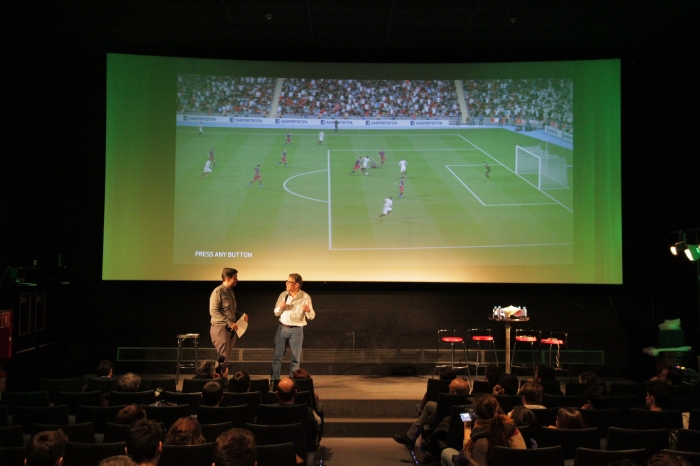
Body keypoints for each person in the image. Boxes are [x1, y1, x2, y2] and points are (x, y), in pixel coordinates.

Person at [440, 394, 526, 466]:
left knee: (446, 452)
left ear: (476, 416)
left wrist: (467, 427)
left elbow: (462, 458)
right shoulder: (514, 430)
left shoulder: (478, 439)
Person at [393, 378, 471, 449]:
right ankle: (410, 437)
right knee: (430, 404)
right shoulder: (468, 405)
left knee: (428, 417)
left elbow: (430, 421)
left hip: (447, 416)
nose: (448, 389)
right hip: (450, 412)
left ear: (454, 393)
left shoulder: (447, 404)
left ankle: (411, 438)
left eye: (450, 388)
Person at [271, 273, 315, 384]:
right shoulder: (283, 295)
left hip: (297, 330)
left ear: (296, 284)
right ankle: (274, 382)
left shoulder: (305, 297)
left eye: (289, 282)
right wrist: (279, 307)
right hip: (282, 328)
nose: (286, 283)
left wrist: (308, 310)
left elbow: (311, 316)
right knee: (277, 357)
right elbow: (276, 313)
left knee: (295, 359)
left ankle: (293, 383)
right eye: (286, 281)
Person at [210, 267, 247, 364]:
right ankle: (218, 374)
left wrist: (241, 316)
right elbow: (213, 311)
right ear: (227, 279)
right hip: (221, 330)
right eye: (235, 278)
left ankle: (223, 373)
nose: (237, 280)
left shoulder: (230, 291)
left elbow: (230, 310)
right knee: (222, 359)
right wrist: (230, 323)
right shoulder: (218, 291)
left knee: (226, 360)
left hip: (230, 330)